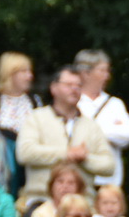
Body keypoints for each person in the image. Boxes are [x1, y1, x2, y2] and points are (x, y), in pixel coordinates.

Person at [16, 67, 113, 207]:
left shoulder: (91, 126)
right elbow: (25, 153)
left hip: (83, 206)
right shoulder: (36, 118)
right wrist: (66, 154)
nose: (74, 89)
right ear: (54, 88)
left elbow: (109, 165)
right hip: (42, 202)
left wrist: (84, 158)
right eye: (69, 85)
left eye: (78, 85)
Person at [74, 50, 129, 189]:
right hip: (78, 180)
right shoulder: (73, 103)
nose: (107, 76)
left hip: (110, 181)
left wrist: (89, 131)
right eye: (102, 71)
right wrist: (109, 128)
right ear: (86, 73)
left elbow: (127, 135)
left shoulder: (115, 103)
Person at [0, 52, 39, 136]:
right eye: (24, 71)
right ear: (9, 73)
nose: (30, 76)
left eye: (30, 71)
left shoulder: (34, 100)